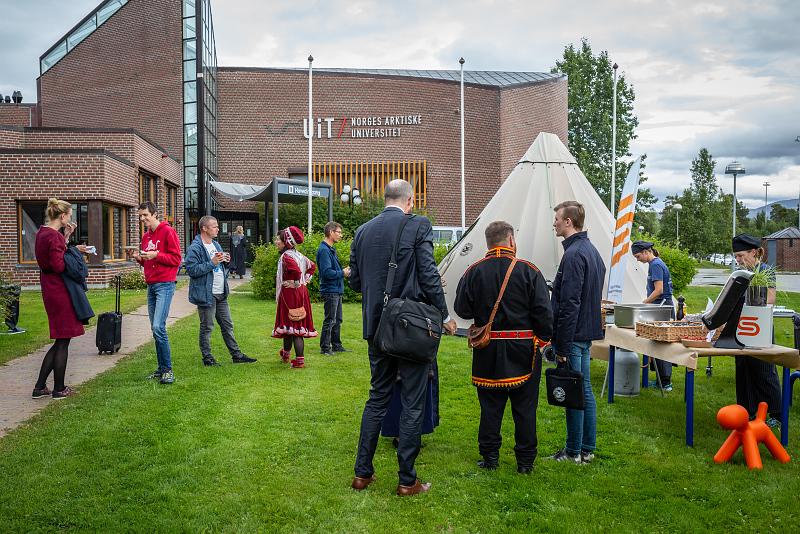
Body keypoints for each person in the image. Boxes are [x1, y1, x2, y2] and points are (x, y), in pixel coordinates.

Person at [349, 179, 457, 497]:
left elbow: (356, 282)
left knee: (377, 398)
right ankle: (406, 480)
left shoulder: (363, 231)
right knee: (412, 402)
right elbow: (428, 273)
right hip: (410, 328)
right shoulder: (418, 225)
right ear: (410, 201)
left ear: (386, 199)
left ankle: (362, 474)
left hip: (376, 327)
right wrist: (446, 315)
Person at [454, 221, 553, 474]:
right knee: (525, 409)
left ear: (489, 242)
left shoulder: (473, 271)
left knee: (490, 408)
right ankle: (525, 463)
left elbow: (462, 310)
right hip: (524, 351)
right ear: (511, 240)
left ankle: (489, 458)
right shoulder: (529, 270)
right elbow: (544, 314)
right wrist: (542, 340)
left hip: (487, 351)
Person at [548, 200, 606, 464]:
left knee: (573, 392)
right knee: (584, 391)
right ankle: (586, 449)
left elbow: (570, 303)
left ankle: (574, 452)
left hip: (573, 336)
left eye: (557, 219)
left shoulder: (573, 254)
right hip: (585, 332)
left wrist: (561, 344)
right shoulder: (592, 251)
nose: (554, 223)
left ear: (568, 221)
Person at [32, 198, 92, 399]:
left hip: (49, 288)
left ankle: (40, 387)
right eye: (70, 216)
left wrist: (66, 239)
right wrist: (73, 250)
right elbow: (58, 265)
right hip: (60, 291)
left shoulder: (42, 232)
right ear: (63, 216)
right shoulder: (54, 237)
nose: (70, 218)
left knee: (60, 339)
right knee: (63, 340)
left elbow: (51, 256)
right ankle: (59, 388)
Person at [185, 216, 257, 367]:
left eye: (217, 226)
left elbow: (220, 268)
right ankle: (207, 358)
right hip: (206, 293)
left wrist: (225, 261)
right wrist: (212, 263)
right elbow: (192, 270)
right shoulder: (195, 247)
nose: (218, 229)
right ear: (204, 228)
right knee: (207, 327)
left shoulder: (216, 244)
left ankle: (236, 355)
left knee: (227, 325)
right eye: (214, 226)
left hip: (221, 292)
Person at [732, 233, 782, 427]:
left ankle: (776, 414)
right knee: (743, 367)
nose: (738, 260)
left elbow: (770, 298)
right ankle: (746, 411)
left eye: (741, 255)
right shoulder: (740, 273)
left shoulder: (765, 270)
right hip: (741, 327)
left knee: (763, 370)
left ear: (753, 252)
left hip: (759, 325)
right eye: (735, 256)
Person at [130, 201, 182, 385]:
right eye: (141, 216)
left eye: (145, 215)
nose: (142, 219)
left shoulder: (168, 232)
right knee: (155, 329)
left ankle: (168, 370)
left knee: (159, 327)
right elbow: (148, 262)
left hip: (165, 284)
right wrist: (139, 258)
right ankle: (161, 369)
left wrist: (156, 255)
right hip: (151, 285)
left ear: (154, 214)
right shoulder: (146, 237)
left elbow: (176, 259)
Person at [632, 240, 675, 391]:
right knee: (657, 343)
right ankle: (660, 380)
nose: (637, 259)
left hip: (662, 307)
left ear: (645, 252)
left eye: (638, 256)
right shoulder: (655, 263)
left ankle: (665, 382)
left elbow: (659, 290)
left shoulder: (655, 265)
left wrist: (643, 303)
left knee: (661, 344)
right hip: (660, 307)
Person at [272, 226, 317, 368]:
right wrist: (305, 281)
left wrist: (297, 282)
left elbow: (296, 271)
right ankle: (286, 354)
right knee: (292, 324)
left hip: (291, 293)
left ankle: (298, 361)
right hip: (300, 292)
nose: (276, 241)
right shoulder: (298, 254)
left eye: (278, 239)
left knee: (293, 323)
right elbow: (312, 266)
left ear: (286, 241)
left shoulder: (287, 256)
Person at [316, 221, 351, 356]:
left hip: (336, 290)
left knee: (337, 320)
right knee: (330, 320)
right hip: (330, 290)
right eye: (339, 232)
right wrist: (342, 273)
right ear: (331, 232)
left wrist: (344, 272)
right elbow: (326, 273)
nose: (341, 235)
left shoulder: (330, 249)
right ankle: (325, 348)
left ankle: (336, 345)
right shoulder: (324, 250)